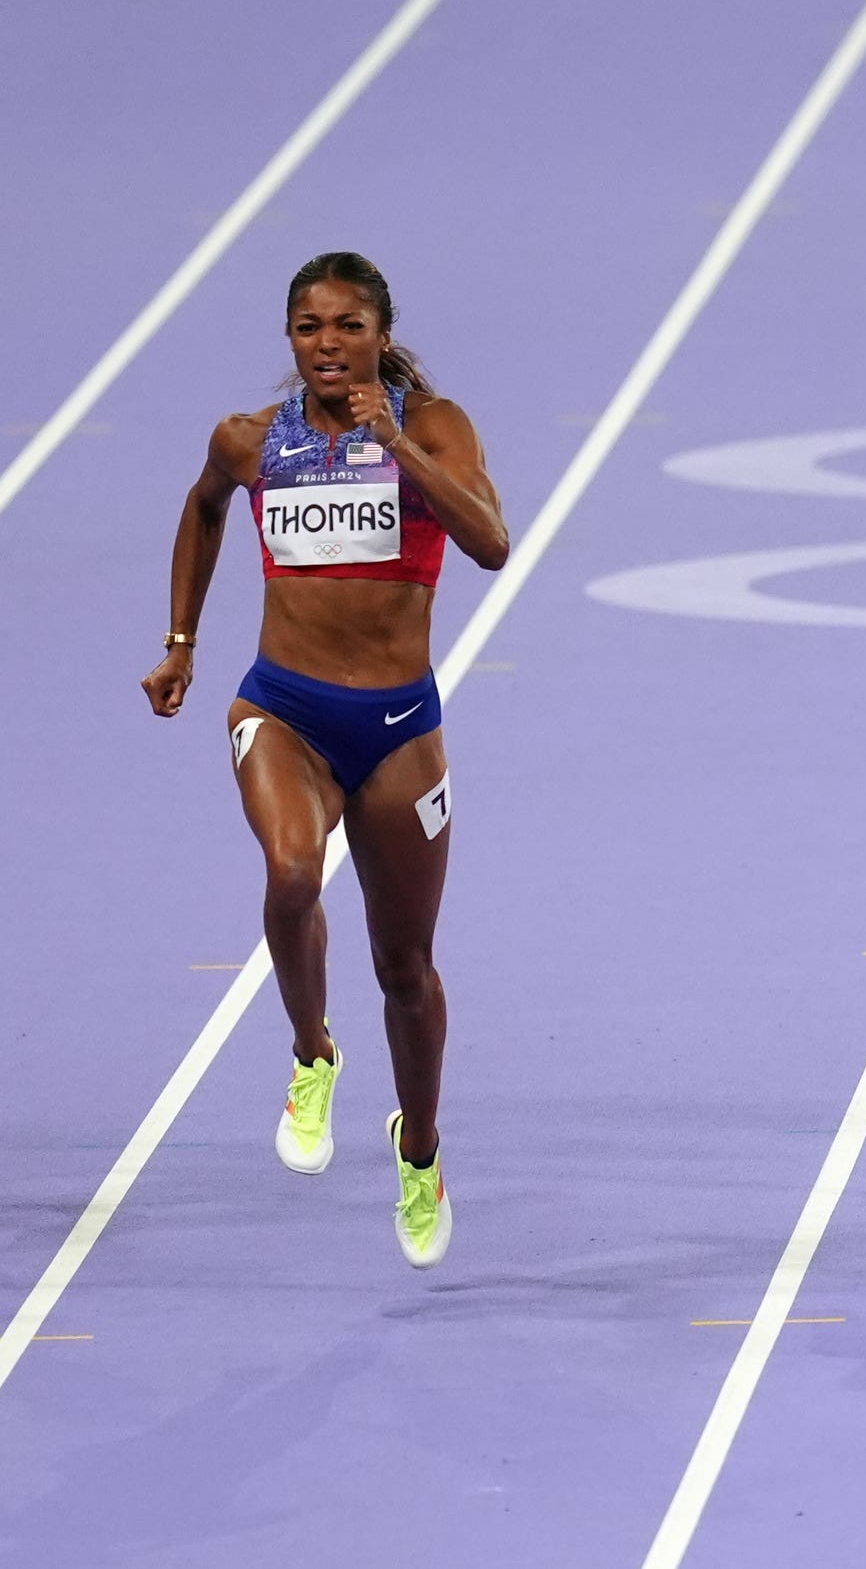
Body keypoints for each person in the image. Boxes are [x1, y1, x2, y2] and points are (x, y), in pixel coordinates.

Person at [141, 251, 509, 1265]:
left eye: (349, 326)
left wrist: (403, 449)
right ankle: (312, 1054)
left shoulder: (433, 427)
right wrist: (181, 645)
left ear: (382, 335)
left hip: (397, 731)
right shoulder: (252, 441)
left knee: (405, 969)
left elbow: (492, 545)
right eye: (309, 328)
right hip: (284, 709)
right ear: (291, 342)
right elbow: (205, 504)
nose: (329, 345)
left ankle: (421, 1150)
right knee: (293, 872)